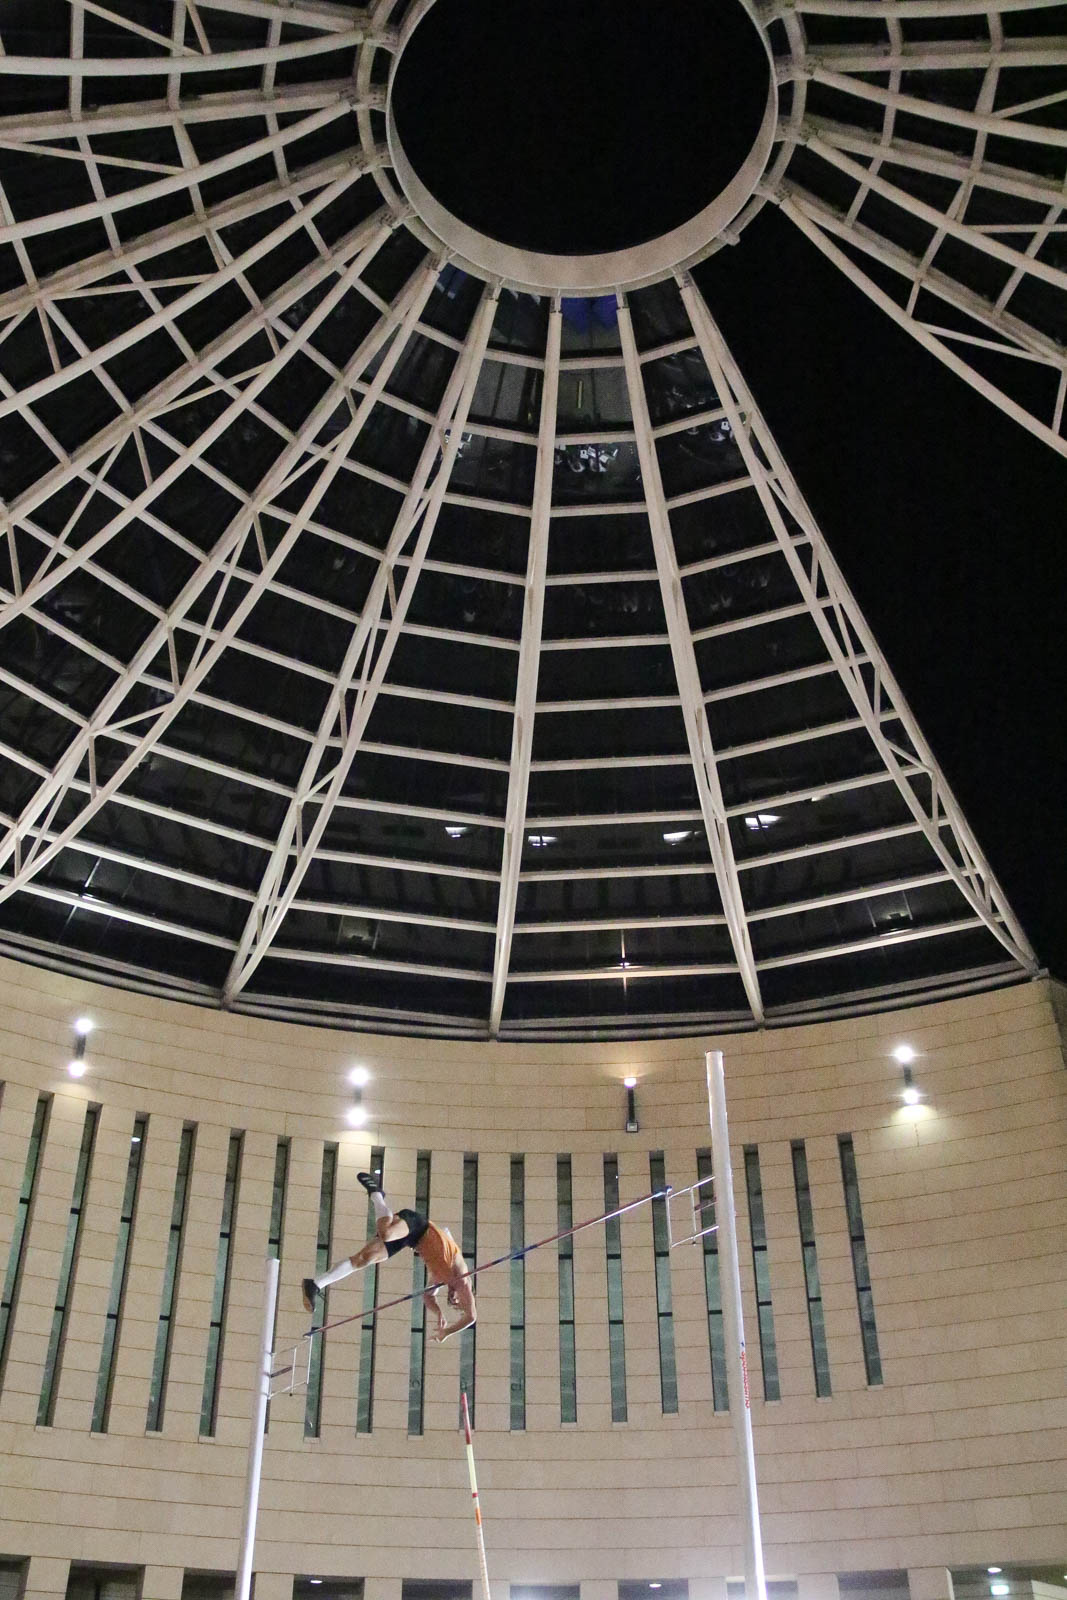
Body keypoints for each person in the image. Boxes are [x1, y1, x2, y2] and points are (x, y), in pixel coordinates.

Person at [301, 1171, 477, 1343]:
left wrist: (438, 1312)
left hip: (411, 1241)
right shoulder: (462, 1278)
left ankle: (315, 1284)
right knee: (386, 1233)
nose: (454, 1299)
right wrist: (447, 1332)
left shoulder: (440, 1278)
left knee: (365, 1258)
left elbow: (428, 1296)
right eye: (459, 1301)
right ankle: (376, 1194)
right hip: (419, 1226)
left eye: (452, 1302)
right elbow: (471, 1316)